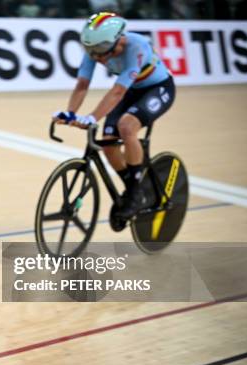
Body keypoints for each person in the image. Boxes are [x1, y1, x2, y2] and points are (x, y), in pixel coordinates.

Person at [53, 12, 175, 219]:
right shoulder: (96, 49)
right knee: (108, 142)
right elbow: (82, 84)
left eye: (100, 50)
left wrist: (91, 117)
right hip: (131, 91)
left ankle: (135, 193)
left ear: (118, 39)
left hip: (158, 89)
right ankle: (133, 188)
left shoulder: (136, 47)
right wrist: (71, 113)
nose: (96, 57)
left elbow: (117, 92)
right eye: (91, 50)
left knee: (126, 127)